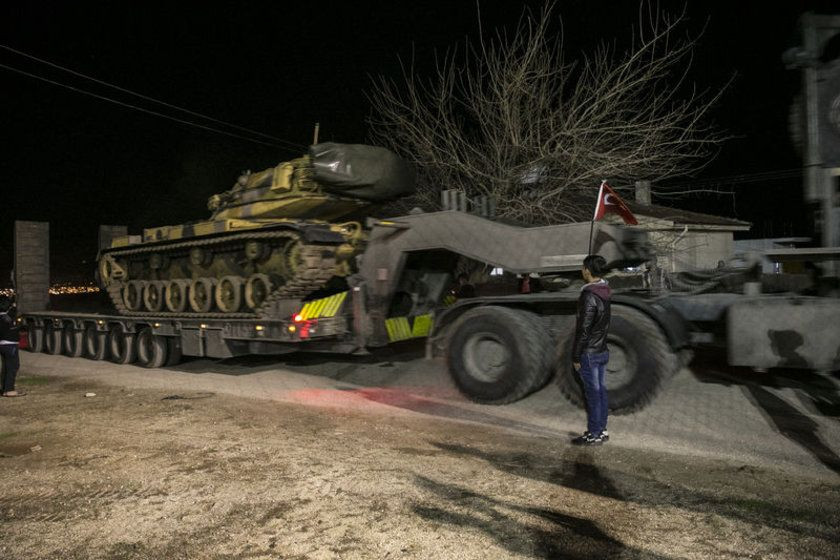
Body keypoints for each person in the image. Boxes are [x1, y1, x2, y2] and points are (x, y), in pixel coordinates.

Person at [571, 255, 611, 445]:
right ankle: (601, 430)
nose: (581, 270)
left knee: (593, 395)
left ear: (588, 270)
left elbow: (584, 329)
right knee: (601, 392)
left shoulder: (589, 295)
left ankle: (594, 434)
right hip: (602, 351)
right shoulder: (605, 290)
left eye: (583, 267)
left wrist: (576, 355)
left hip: (590, 354)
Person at [0, 295, 24, 397]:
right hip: (10, 345)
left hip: (2, 344)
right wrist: (13, 305)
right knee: (13, 366)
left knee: (6, 366)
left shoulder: (2, 316)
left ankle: (5, 388)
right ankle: (9, 389)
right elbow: (12, 313)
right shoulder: (7, 317)